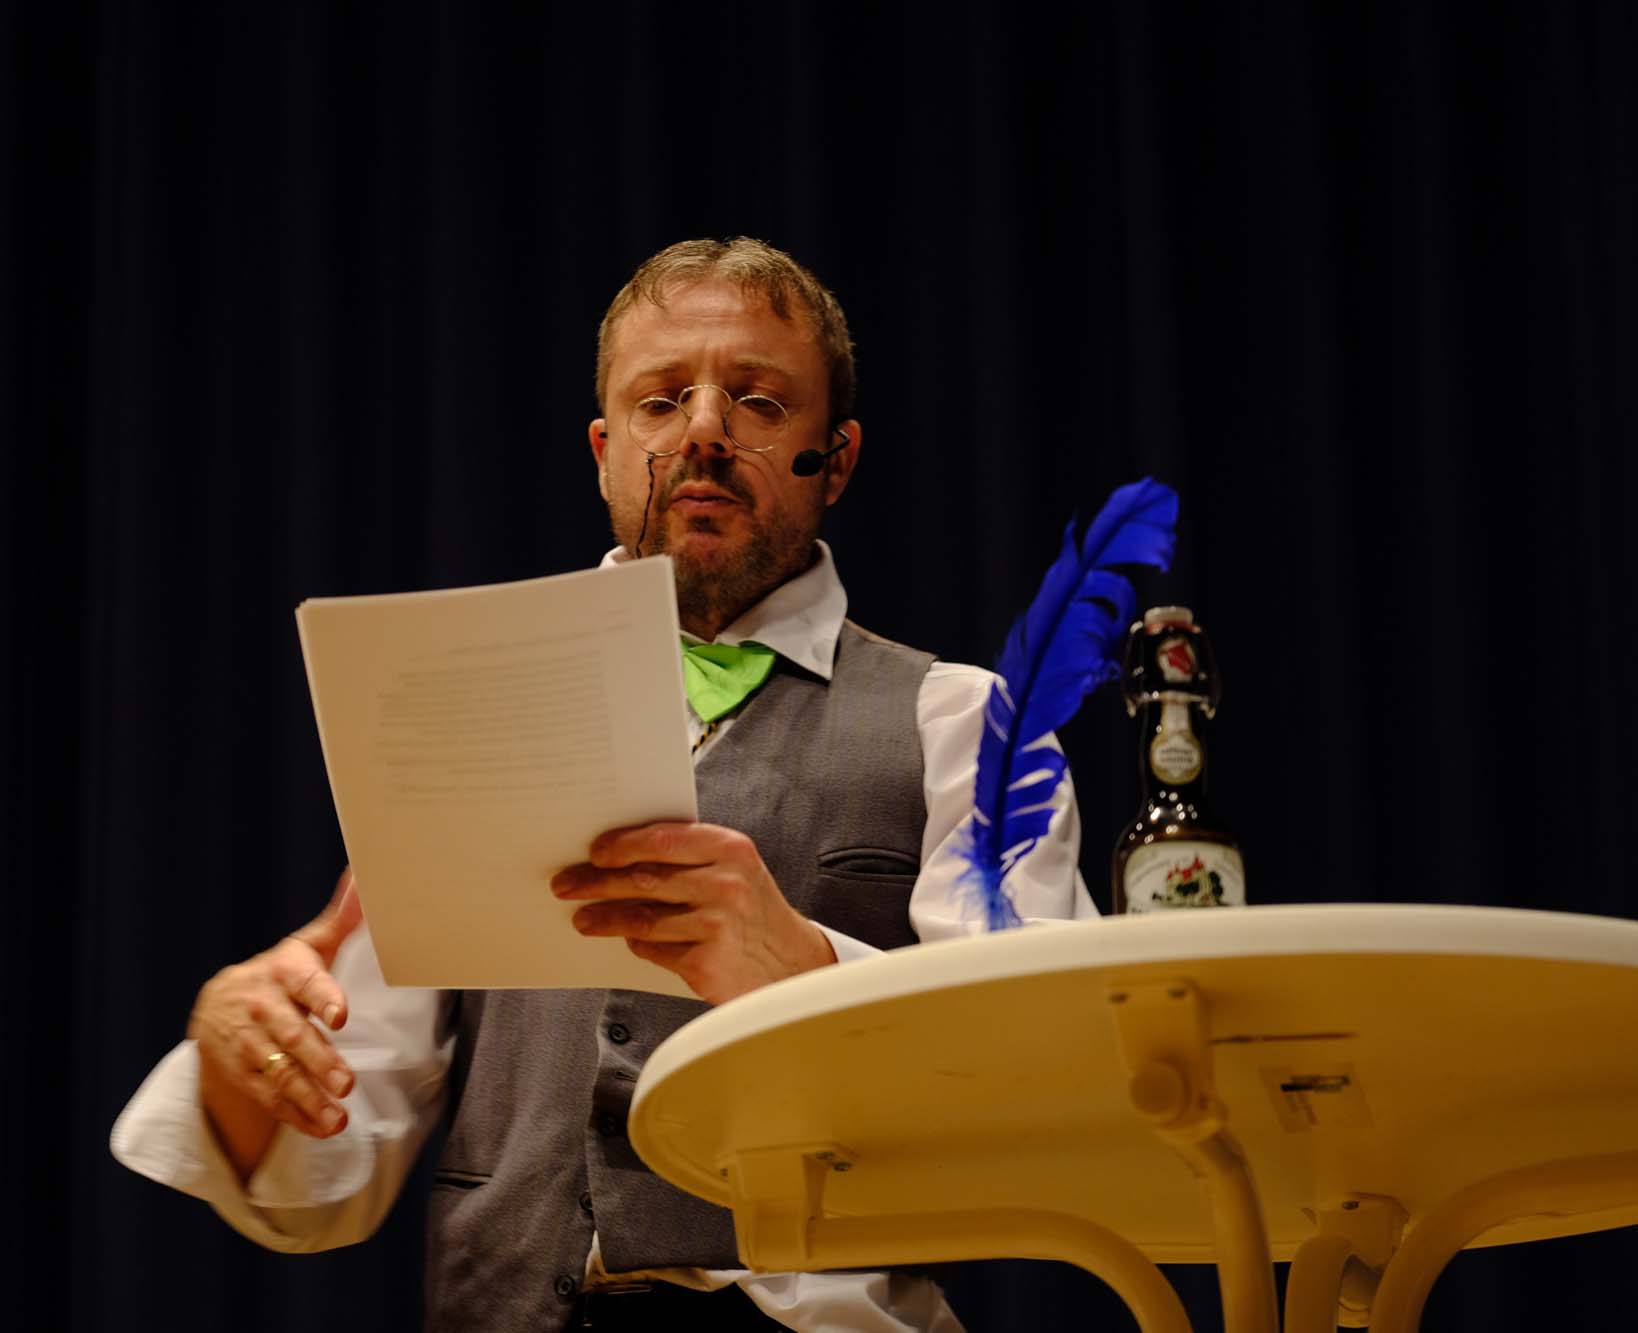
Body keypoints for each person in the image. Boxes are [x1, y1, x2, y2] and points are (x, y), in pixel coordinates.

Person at [112, 238, 1097, 1332]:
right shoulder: (472, 712)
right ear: (606, 451)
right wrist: (247, 1065)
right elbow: (331, 1168)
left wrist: (807, 970)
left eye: (760, 401)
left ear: (838, 458)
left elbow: (1051, 1083)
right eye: (660, 400)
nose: (705, 429)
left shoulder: (969, 724)